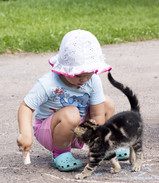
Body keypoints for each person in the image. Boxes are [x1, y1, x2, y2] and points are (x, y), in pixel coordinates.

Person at [17, 29, 128, 172]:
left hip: (80, 128)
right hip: (51, 131)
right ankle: (61, 153)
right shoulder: (48, 83)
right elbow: (26, 106)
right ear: (65, 68)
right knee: (71, 113)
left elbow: (97, 116)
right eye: (79, 75)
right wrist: (25, 133)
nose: (84, 79)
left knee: (106, 103)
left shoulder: (92, 81)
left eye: (89, 73)